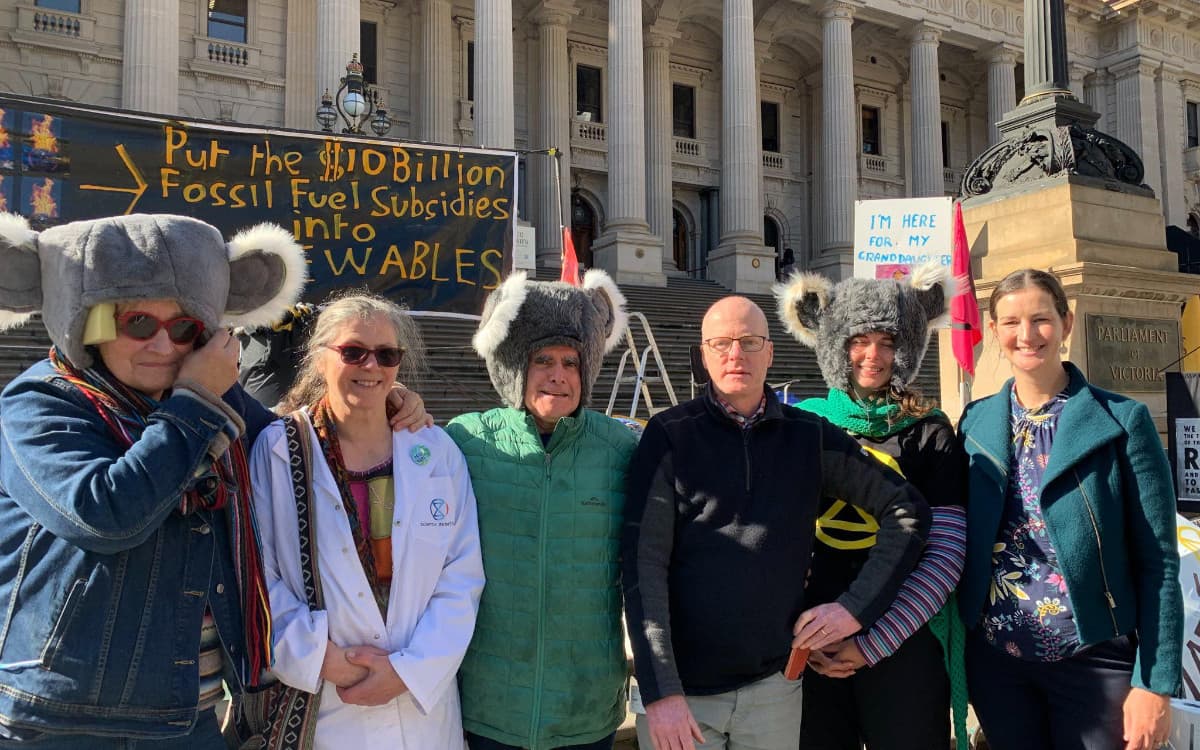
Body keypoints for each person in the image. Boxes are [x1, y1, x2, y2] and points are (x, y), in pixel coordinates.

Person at [0, 213, 427, 746]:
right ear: (90, 324)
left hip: (187, 710)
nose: (162, 345)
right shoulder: (41, 401)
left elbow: (298, 450)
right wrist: (196, 402)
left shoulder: (214, 399)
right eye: (137, 323)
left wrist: (375, 404)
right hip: (69, 714)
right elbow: (105, 514)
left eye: (183, 328)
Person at [622, 295, 931, 750]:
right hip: (683, 698)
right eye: (721, 343)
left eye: (749, 342)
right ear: (703, 353)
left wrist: (853, 609)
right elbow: (642, 566)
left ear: (770, 352)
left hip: (773, 693)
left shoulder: (809, 435)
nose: (735, 355)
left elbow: (906, 510)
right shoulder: (669, 434)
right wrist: (660, 691)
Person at [957, 268, 1182, 750]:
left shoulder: (1122, 422)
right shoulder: (975, 422)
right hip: (999, 659)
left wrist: (1154, 683)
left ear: (1067, 322)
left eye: (1040, 318)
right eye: (1011, 322)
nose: (1026, 334)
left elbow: (1158, 560)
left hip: (1095, 659)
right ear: (993, 331)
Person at [250, 293, 484, 749]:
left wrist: (410, 669)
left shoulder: (437, 452)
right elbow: (260, 575)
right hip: (326, 703)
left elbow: (461, 577)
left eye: (386, 354)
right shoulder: (278, 451)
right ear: (320, 359)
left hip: (422, 711)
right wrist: (321, 657)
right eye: (353, 351)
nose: (371, 365)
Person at [775, 264, 969, 750]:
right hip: (813, 642)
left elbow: (945, 555)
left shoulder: (931, 430)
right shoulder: (803, 426)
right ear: (836, 343)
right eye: (859, 340)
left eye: (886, 341)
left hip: (904, 641)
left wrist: (870, 644)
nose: (873, 355)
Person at [446, 270, 638, 750]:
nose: (558, 375)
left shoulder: (620, 448)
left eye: (571, 362)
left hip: (585, 705)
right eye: (542, 360)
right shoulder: (465, 440)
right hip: (490, 706)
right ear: (514, 365)